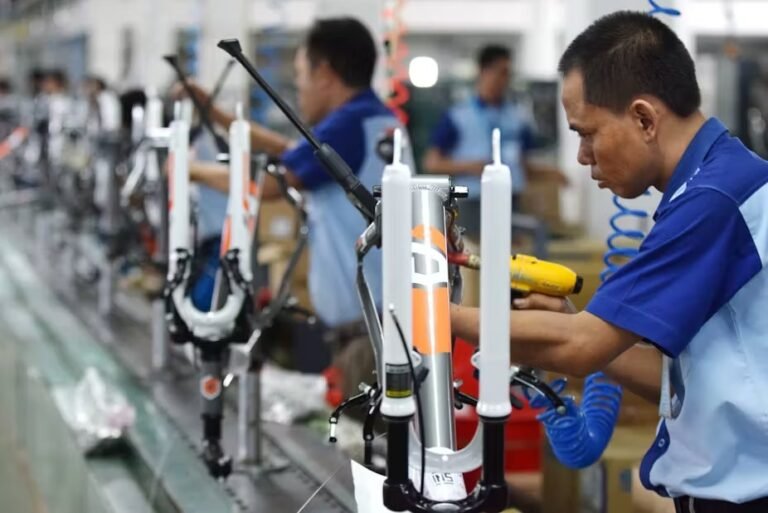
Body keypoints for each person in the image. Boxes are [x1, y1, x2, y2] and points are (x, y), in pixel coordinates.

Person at [451, 11, 768, 512]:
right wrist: (575, 326)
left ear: (644, 118)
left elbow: (582, 352)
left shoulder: (715, 199)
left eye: (588, 132)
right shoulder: (715, 184)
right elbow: (686, 381)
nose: (581, 156)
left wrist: (429, 313)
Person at [186, 17, 413, 398]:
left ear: (325, 73)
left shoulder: (346, 125)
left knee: (368, 447)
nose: (300, 88)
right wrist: (220, 117)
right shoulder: (374, 118)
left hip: (368, 338)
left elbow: (266, 187)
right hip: (385, 323)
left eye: (301, 74)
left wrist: (186, 168)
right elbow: (294, 152)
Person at [422, 44, 563, 236]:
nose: (504, 79)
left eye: (508, 73)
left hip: (510, 198)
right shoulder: (458, 116)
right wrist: (471, 167)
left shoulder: (517, 116)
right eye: (500, 72)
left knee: (509, 257)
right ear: (483, 71)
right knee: (471, 257)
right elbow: (432, 163)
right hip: (472, 200)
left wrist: (550, 173)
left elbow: (523, 163)